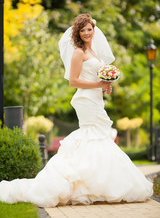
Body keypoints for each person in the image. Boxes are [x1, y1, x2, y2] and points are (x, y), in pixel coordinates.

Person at [0, 14, 153, 207]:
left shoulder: (94, 52)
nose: (87, 33)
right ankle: (77, 184)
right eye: (83, 30)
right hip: (85, 100)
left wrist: (105, 85)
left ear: (93, 30)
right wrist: (98, 83)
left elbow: (92, 76)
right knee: (92, 135)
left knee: (99, 137)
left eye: (89, 29)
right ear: (77, 33)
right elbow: (73, 81)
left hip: (96, 98)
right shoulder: (78, 52)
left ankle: (97, 184)